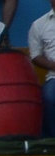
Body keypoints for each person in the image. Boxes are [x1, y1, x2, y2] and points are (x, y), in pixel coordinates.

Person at [33, 0, 55, 137]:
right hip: (54, 76)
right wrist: (52, 65)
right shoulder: (39, 25)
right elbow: (35, 56)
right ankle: (51, 141)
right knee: (48, 98)